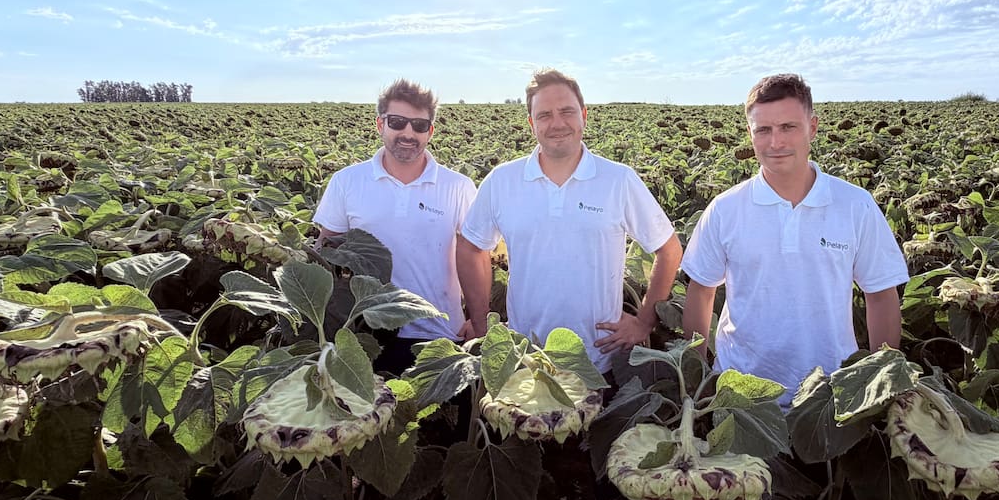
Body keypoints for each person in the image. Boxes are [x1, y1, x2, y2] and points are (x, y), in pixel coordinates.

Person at [681, 74, 907, 406]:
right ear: (751, 134)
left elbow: (880, 295)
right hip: (740, 395)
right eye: (764, 130)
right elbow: (701, 291)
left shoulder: (854, 205)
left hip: (829, 394)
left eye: (789, 127)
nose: (776, 142)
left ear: (812, 128)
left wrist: (879, 384)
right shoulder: (725, 209)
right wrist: (697, 377)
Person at [456, 68, 683, 373]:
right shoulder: (502, 181)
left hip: (599, 358)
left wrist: (645, 321)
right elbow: (471, 247)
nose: (557, 123)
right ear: (531, 123)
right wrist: (483, 323)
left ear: (583, 116)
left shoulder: (618, 180)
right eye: (545, 115)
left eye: (566, 111)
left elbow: (668, 249)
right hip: (525, 358)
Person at [313, 78, 476, 373]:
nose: (408, 133)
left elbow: (474, 256)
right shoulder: (347, 182)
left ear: (431, 131)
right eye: (398, 122)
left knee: (439, 417)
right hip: (366, 334)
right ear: (380, 124)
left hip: (440, 332)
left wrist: (477, 318)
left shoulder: (458, 186)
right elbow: (327, 252)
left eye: (419, 125)